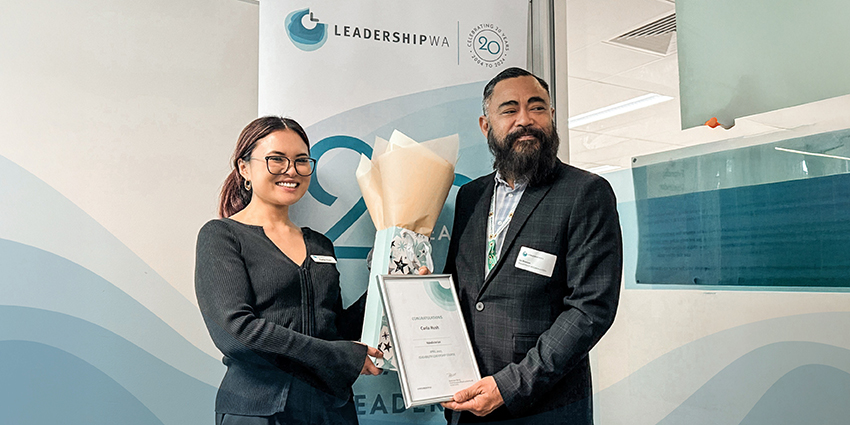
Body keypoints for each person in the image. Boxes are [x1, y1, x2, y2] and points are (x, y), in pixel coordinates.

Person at [440, 68, 623, 424]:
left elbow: (590, 309)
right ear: (485, 125)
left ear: (551, 116)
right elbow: (462, 290)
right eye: (509, 110)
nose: (525, 120)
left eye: (537, 108)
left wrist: (510, 386)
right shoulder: (470, 196)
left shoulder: (585, 193)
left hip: (543, 406)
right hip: (468, 402)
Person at [195, 116, 382, 425]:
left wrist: (384, 283)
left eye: (300, 161)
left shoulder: (320, 244)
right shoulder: (222, 236)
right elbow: (236, 333)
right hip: (258, 411)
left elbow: (334, 332)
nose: (291, 171)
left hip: (330, 410)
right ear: (245, 168)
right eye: (276, 160)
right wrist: (343, 357)